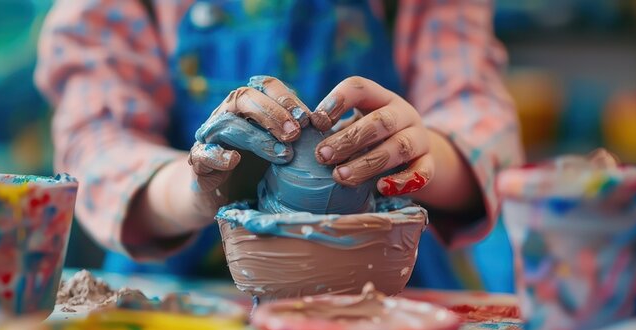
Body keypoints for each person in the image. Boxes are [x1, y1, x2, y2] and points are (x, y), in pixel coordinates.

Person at [35, 0, 524, 291]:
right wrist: (195, 188)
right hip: (182, 292)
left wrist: (420, 154)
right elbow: (97, 141)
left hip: (384, 283)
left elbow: (478, 120)